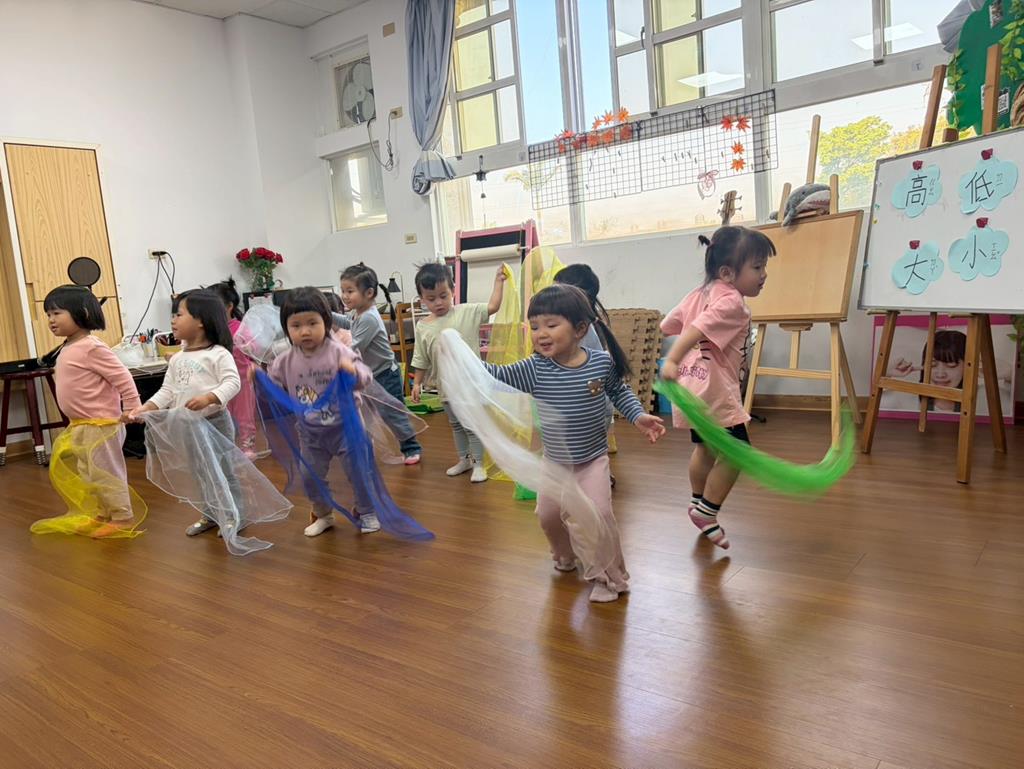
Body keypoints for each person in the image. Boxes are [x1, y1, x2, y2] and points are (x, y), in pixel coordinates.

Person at [480, 284, 665, 602]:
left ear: (580, 329)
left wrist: (638, 416)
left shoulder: (599, 363)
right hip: (555, 464)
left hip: (592, 461)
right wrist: (460, 357)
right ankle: (564, 555)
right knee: (548, 516)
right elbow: (496, 375)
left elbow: (619, 392)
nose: (541, 334)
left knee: (598, 516)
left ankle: (608, 578)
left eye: (551, 325)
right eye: (535, 326)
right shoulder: (534, 369)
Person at [660, 226, 775, 550]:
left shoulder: (699, 293)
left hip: (689, 385)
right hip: (713, 389)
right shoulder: (732, 303)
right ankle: (707, 511)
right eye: (757, 267)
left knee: (706, 448)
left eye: (764, 266)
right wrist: (672, 358)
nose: (764, 275)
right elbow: (695, 330)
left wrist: (678, 359)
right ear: (727, 273)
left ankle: (697, 502)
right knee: (739, 454)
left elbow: (667, 325)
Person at [266, 287, 381, 537]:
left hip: (346, 427)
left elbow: (365, 377)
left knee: (358, 472)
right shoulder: (285, 360)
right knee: (310, 476)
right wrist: (259, 378)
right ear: (287, 329)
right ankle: (323, 514)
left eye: (312, 323)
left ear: (326, 322)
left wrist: (352, 371)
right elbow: (272, 382)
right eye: (296, 326)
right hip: (310, 431)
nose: (305, 331)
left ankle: (367, 511)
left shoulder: (338, 351)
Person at [128, 290, 242, 537]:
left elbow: (233, 383)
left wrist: (209, 398)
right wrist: (147, 407)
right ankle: (211, 513)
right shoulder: (178, 358)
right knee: (200, 471)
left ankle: (234, 514)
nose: (173, 320)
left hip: (215, 422)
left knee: (223, 471)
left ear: (201, 320)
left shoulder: (218, 353)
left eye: (179, 314)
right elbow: (168, 391)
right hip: (188, 426)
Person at [35, 285, 142, 537]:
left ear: (82, 313)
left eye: (57, 313)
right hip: (81, 424)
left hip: (102, 425)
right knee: (89, 474)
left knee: (106, 473)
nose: (51, 320)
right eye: (48, 314)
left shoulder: (92, 347)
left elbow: (122, 377)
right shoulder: (68, 347)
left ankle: (123, 516)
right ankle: (103, 514)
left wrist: (132, 407)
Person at [410, 262, 505, 483]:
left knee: (471, 425)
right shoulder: (423, 326)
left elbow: (493, 306)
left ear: (453, 290)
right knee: (455, 425)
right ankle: (464, 460)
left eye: (443, 296)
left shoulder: (467, 312)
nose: (438, 302)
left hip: (470, 384)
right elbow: (421, 358)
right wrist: (417, 383)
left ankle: (479, 464)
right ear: (422, 299)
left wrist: (498, 281)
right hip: (446, 387)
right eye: (431, 298)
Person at [338, 263, 422, 464]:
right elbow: (348, 323)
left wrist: (332, 356)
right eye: (343, 291)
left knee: (393, 413)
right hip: (369, 374)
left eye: (350, 291)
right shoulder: (358, 313)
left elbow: (354, 347)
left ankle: (411, 448)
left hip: (385, 374)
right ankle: (366, 446)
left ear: (368, 293)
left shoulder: (369, 318)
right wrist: (326, 315)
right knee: (366, 413)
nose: (344, 296)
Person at [208, 278, 259, 458]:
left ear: (229, 306)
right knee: (223, 414)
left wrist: (253, 362)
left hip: (242, 380)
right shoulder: (211, 331)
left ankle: (247, 447)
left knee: (244, 415)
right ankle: (226, 447)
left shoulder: (239, 328)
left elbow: (255, 351)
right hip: (219, 382)